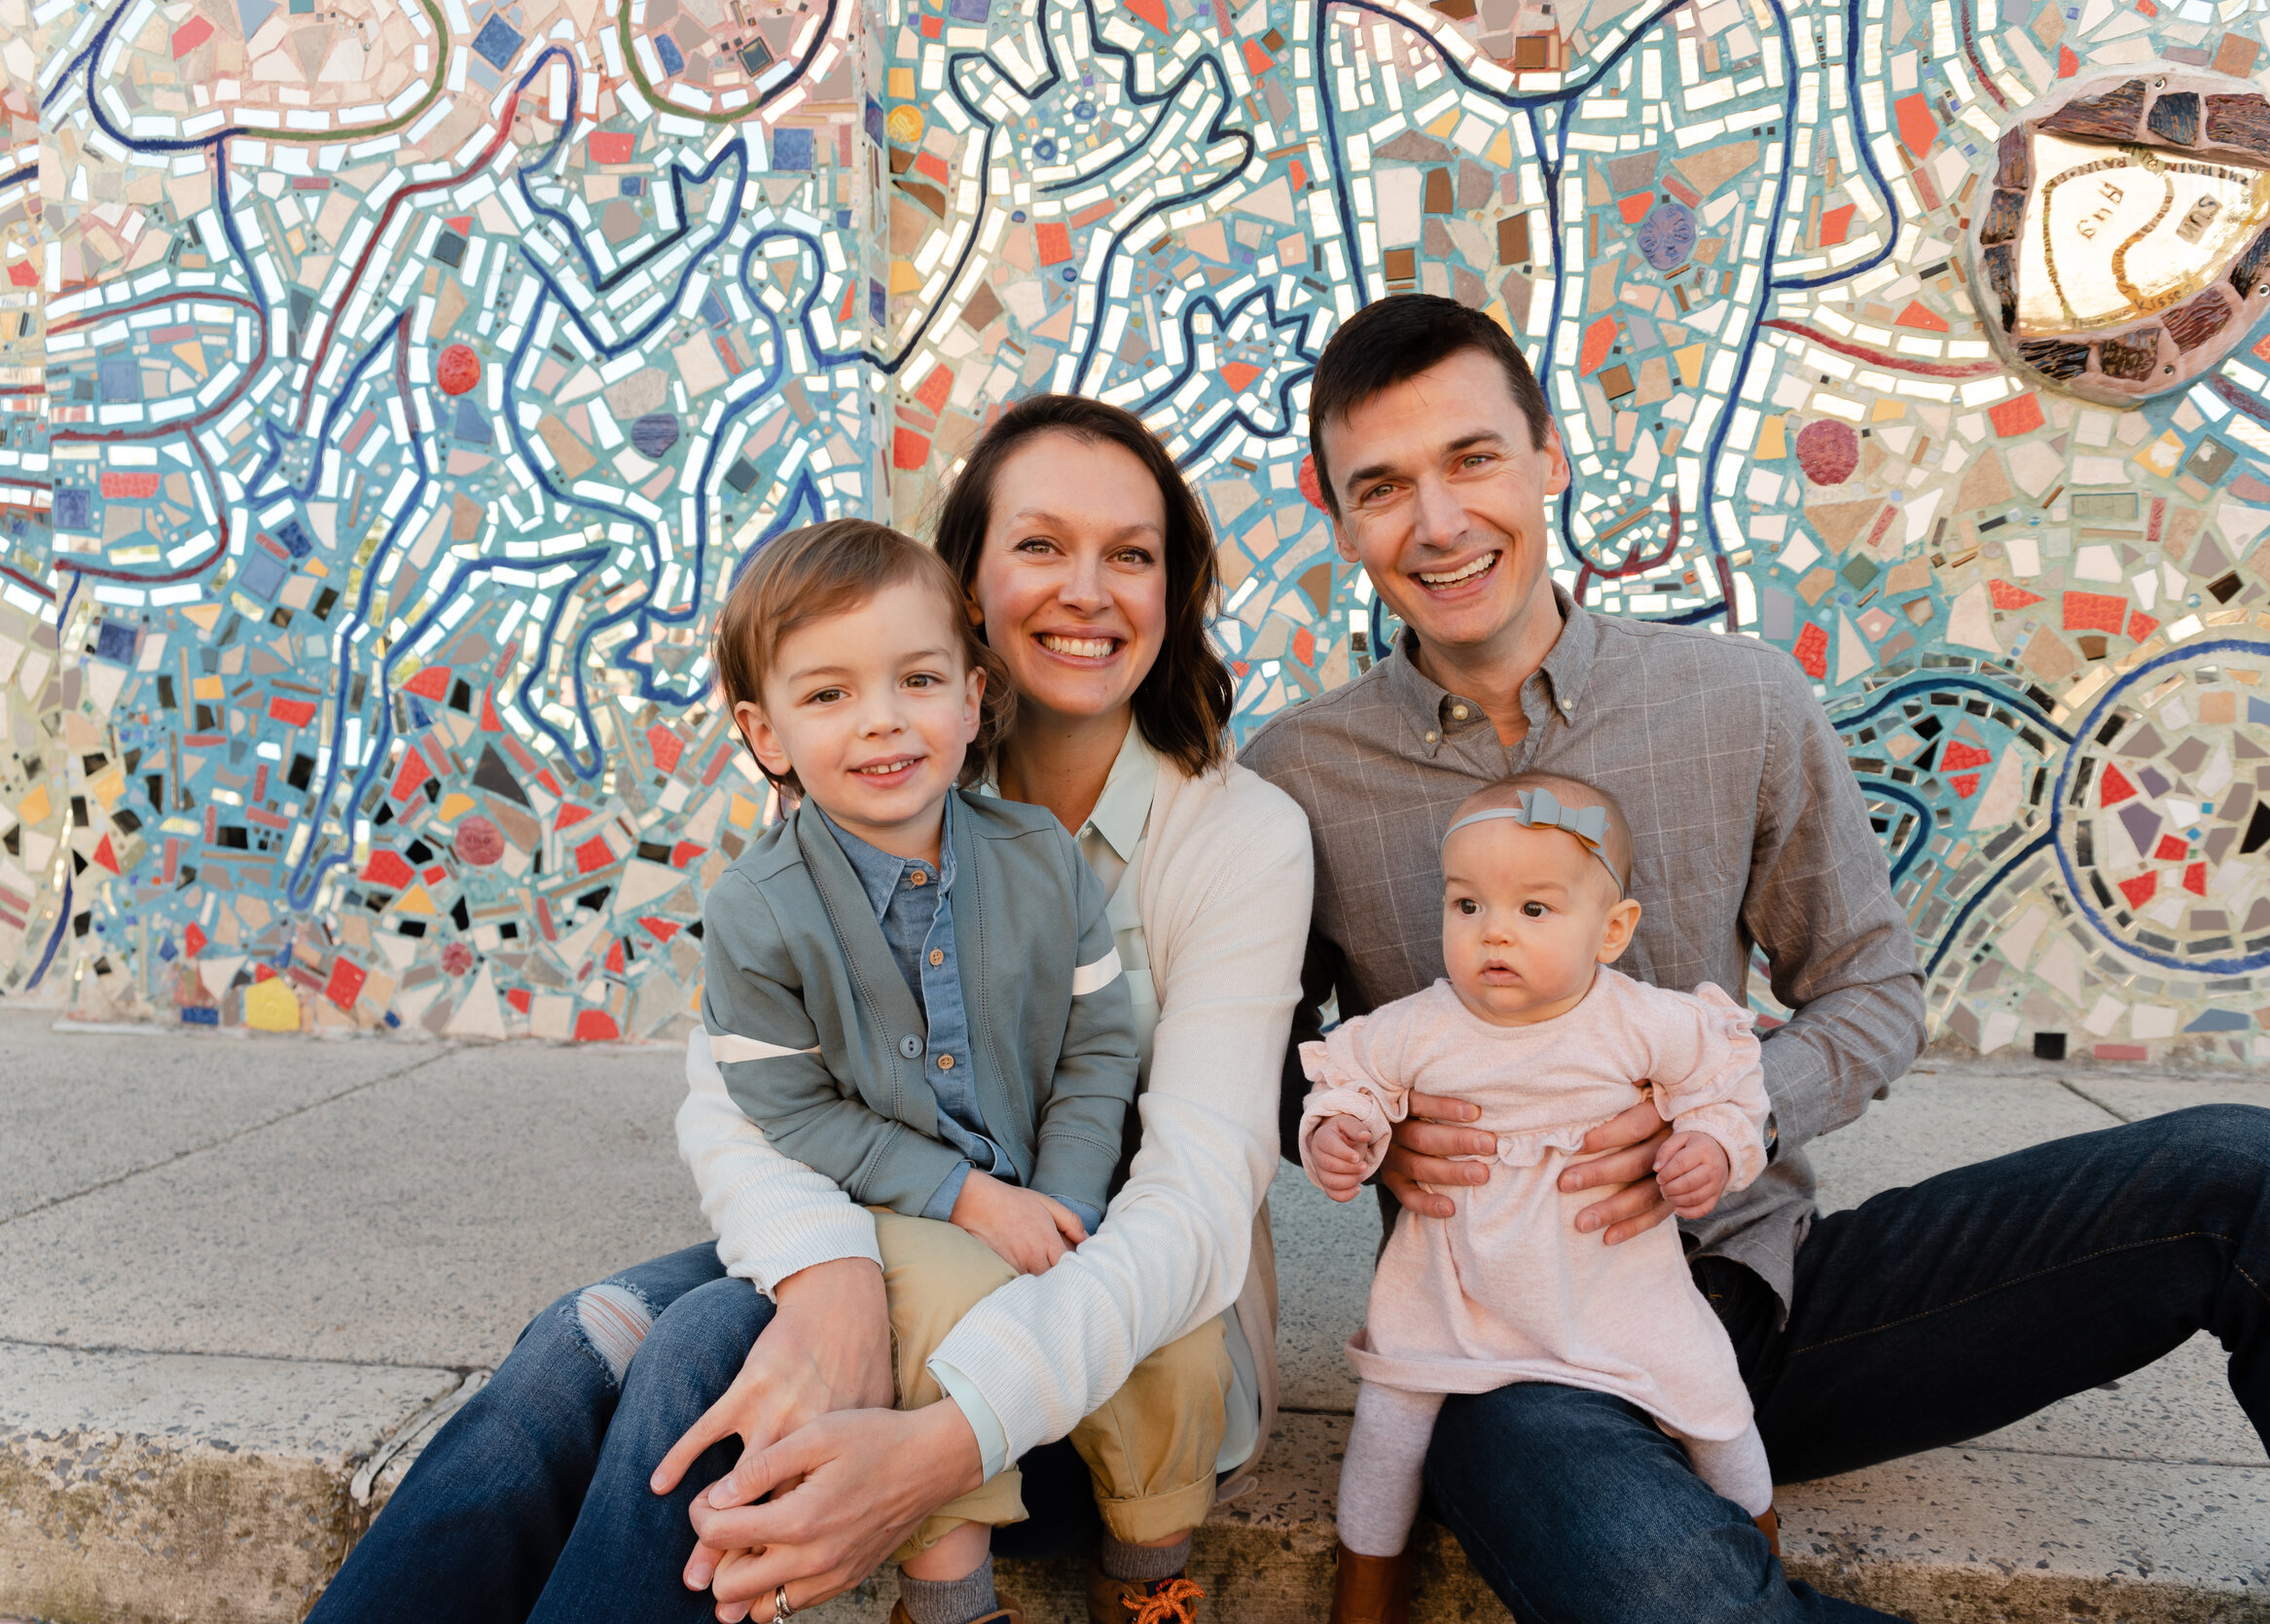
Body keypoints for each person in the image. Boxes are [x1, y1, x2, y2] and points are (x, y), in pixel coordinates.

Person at [1238, 291, 2270, 1623]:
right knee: (1667, 1593)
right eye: (1384, 486)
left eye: (1470, 460)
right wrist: (1363, 1129)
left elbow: (1869, 990)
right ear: (1335, 512)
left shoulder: (1737, 700)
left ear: (1547, 456)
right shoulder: (1295, 777)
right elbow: (1257, 1060)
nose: (1440, 523)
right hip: (1510, 1354)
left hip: (1771, 1291)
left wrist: (1737, 1107)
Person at [306, 395, 1313, 1624]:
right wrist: (830, 1274)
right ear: (967, 586)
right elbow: (739, 1092)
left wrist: (946, 1435)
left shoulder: (1237, 835)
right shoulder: (881, 761)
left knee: (696, 1350)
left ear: (1175, 584)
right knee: (572, 1352)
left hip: (1120, 1356)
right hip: (911, 1233)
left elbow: (1200, 1204)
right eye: (1041, 545)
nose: (1088, 590)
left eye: (1133, 554)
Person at [701, 517, 1232, 1624]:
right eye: (829, 694)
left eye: (918, 678)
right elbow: (785, 1102)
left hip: (1052, 1181)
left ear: (974, 694)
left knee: (1171, 1331)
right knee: (945, 1301)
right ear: (766, 732)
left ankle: (1148, 1572)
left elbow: (1100, 1047)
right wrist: (963, 1196)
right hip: (895, 1198)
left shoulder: (1038, 856)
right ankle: (949, 1598)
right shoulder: (755, 911)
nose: (883, 720)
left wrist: (1071, 1196)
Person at [1300, 773, 1777, 1623]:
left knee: (1716, 1404)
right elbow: (1352, 1082)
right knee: (1385, 1432)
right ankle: (1365, 1592)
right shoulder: (1421, 1025)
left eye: (1533, 910)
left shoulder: (1642, 1020)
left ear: (1613, 929)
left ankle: (1765, 1559)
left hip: (1616, 1288)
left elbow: (1726, 1082)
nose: (1493, 934)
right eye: (1467, 905)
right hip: (1453, 1292)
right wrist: (1340, 1137)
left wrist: (1710, 1143)